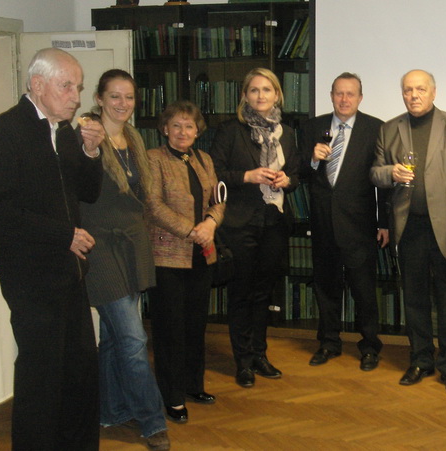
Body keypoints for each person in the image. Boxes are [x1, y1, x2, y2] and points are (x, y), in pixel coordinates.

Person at [0, 47, 105, 450]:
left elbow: (87, 192)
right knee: (41, 381)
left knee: (80, 373)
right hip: (32, 279)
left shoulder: (63, 132)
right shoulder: (9, 128)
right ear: (37, 84)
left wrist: (92, 152)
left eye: (78, 87)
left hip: (70, 275)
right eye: (67, 86)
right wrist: (62, 235)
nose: (75, 97)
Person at [370, 69, 446, 396]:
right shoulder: (389, 129)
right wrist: (390, 172)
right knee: (414, 299)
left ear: (433, 92)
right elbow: (374, 174)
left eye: (420, 89)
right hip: (409, 228)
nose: (413, 95)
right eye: (408, 90)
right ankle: (420, 360)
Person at [79, 69, 169, 450]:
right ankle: (153, 421)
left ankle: (110, 409)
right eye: (114, 96)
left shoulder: (133, 138)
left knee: (113, 338)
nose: (122, 104)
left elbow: (142, 199)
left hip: (132, 245)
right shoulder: (86, 136)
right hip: (100, 248)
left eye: (129, 97)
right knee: (133, 338)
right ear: (99, 99)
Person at [210, 68, 299, 388]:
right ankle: (243, 361)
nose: (261, 96)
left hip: (274, 221)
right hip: (240, 223)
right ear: (244, 96)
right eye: (254, 90)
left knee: (263, 293)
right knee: (242, 293)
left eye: (267, 90)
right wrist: (247, 176)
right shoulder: (230, 131)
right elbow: (214, 174)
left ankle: (260, 354)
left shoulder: (287, 133)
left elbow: (296, 174)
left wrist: (287, 180)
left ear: (277, 95)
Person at [299, 72, 388, 370]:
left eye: (350, 94)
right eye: (339, 93)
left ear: (360, 98)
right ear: (331, 96)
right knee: (326, 287)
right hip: (323, 223)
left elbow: (382, 180)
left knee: (364, 289)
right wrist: (312, 159)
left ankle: (370, 346)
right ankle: (328, 342)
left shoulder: (376, 129)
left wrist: (385, 222)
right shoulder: (313, 127)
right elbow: (299, 171)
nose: (344, 99)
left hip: (360, 225)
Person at [146, 100, 224, 424]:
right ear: (165, 129)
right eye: (176, 125)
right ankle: (172, 396)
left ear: (197, 131)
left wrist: (211, 223)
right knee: (170, 330)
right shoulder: (153, 159)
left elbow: (218, 199)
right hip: (167, 258)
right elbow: (153, 205)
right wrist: (192, 230)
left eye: (188, 126)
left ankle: (194, 385)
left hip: (201, 255)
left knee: (195, 325)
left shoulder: (203, 159)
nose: (182, 131)